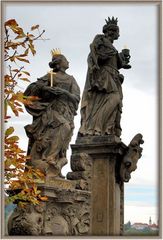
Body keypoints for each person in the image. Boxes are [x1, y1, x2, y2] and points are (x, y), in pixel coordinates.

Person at [24, 50, 80, 178]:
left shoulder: (71, 79)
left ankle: (55, 163)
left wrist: (63, 92)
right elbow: (32, 88)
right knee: (63, 127)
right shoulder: (50, 76)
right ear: (59, 64)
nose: (68, 62)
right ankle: (49, 158)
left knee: (66, 133)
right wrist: (46, 89)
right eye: (65, 60)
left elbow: (76, 97)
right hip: (51, 110)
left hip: (66, 111)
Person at [79, 17, 131, 138]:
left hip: (113, 77)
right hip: (105, 76)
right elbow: (97, 55)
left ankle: (105, 128)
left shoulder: (111, 47)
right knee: (114, 98)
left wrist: (121, 58)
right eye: (118, 32)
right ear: (112, 32)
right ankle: (95, 126)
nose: (119, 34)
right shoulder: (102, 40)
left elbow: (117, 63)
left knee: (114, 103)